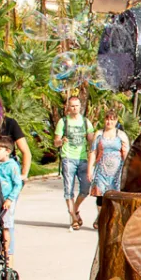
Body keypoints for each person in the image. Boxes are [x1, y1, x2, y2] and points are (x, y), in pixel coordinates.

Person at [54, 95, 90, 230]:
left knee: (86, 188)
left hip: (83, 158)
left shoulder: (86, 122)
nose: (75, 108)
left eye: (77, 106)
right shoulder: (63, 122)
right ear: (68, 107)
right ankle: (74, 218)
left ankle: (75, 209)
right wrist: (61, 141)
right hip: (68, 158)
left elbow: (92, 140)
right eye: (72, 106)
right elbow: (56, 142)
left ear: (80, 107)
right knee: (68, 188)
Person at [0, 138, 25, 258]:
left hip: (7, 200)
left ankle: (6, 252)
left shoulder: (12, 166)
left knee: (6, 226)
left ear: (7, 151)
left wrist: (10, 199)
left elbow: (18, 184)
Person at [88, 111, 128, 197]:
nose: (109, 122)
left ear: (116, 120)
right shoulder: (99, 134)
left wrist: (127, 172)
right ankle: (100, 211)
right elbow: (93, 152)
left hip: (116, 172)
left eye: (112, 119)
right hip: (101, 171)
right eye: (107, 119)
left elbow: (127, 154)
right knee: (100, 197)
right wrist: (89, 170)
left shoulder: (121, 135)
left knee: (114, 197)